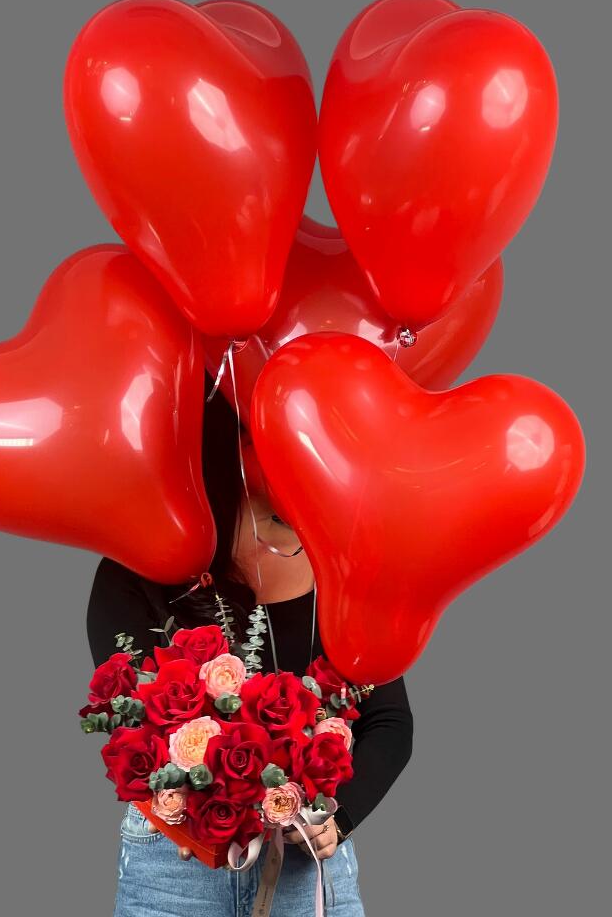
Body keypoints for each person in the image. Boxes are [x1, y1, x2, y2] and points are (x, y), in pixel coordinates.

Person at [87, 384, 413, 916]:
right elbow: (136, 724)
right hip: (175, 873)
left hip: (307, 864)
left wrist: (337, 817)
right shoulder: (134, 573)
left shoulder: (339, 568)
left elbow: (389, 718)